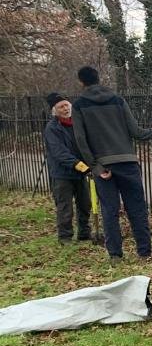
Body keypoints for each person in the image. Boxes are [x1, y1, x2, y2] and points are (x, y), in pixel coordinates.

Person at [70, 66, 152, 262]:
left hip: (104, 166)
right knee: (137, 208)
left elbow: (80, 139)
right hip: (128, 162)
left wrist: (95, 167)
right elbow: (136, 132)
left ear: (81, 82)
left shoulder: (79, 106)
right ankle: (145, 252)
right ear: (99, 78)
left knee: (109, 211)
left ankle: (115, 255)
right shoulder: (118, 100)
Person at [42, 92, 92, 244]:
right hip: (62, 174)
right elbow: (59, 152)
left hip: (81, 173)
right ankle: (65, 237)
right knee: (65, 206)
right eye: (61, 107)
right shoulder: (52, 128)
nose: (65, 109)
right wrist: (78, 164)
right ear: (55, 111)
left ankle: (84, 233)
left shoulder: (77, 123)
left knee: (85, 203)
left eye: (67, 105)